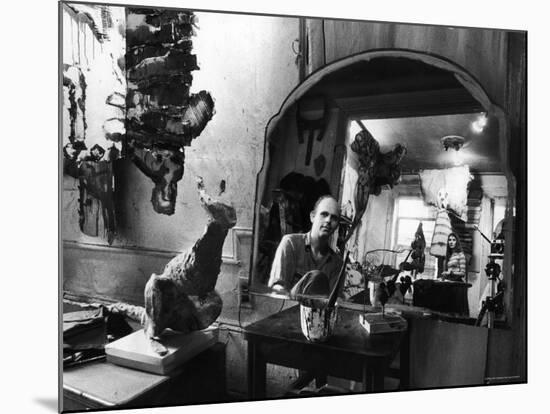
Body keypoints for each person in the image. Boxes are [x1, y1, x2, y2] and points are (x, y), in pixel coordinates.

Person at [267, 195, 343, 296]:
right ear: (312, 216)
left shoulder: (337, 263)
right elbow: (277, 288)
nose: (328, 220)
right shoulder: (290, 244)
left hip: (319, 311)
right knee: (315, 276)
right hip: (287, 308)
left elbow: (333, 301)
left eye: (334, 218)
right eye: (324, 214)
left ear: (337, 225)